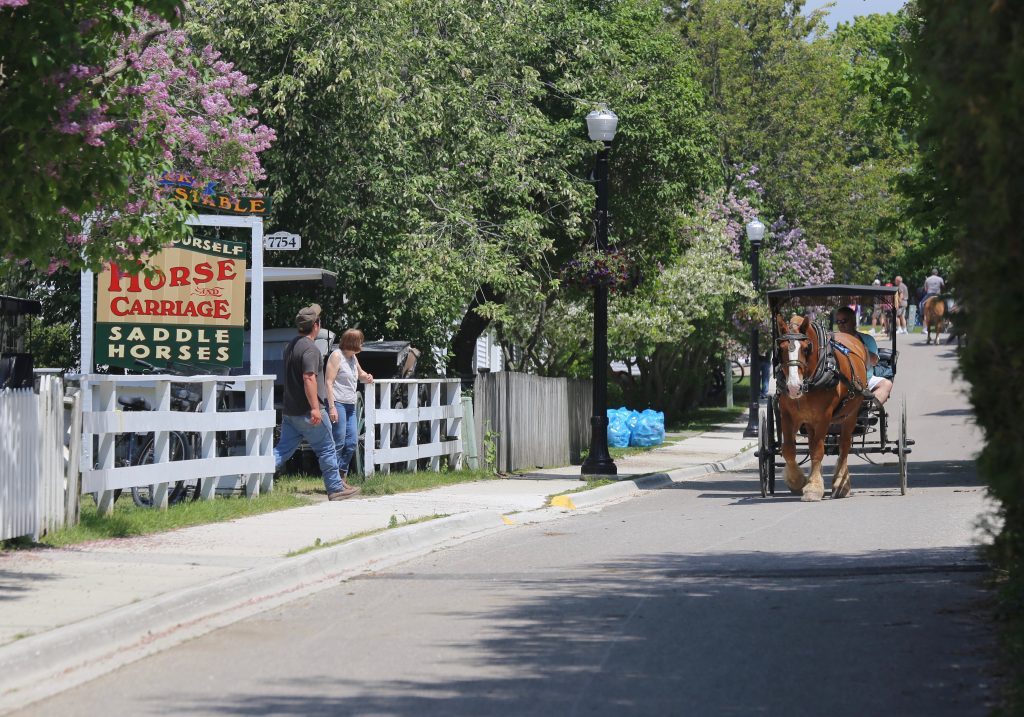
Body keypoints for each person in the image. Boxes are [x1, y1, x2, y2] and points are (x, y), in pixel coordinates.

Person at [272, 304, 359, 501]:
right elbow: (309, 378)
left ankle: (254, 473)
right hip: (308, 411)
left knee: (282, 451)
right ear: (316, 325)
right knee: (327, 448)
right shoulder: (311, 350)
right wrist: (315, 408)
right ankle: (335, 488)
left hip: (290, 412)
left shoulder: (291, 346)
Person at [326, 328, 374, 485]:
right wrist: (331, 407)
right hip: (338, 403)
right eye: (360, 341)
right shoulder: (336, 356)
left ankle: (341, 474)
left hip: (350, 405)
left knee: (352, 441)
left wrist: (367, 376)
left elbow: (360, 374)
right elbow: (329, 382)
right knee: (338, 441)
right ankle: (335, 480)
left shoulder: (353, 358)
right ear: (353, 342)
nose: (361, 344)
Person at [835, 306, 893, 405]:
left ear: (853, 321)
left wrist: (860, 347)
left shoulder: (867, 339)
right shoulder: (833, 340)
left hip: (865, 379)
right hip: (840, 380)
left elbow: (874, 362)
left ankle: (870, 407)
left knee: (886, 384)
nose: (841, 325)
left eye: (844, 321)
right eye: (838, 322)